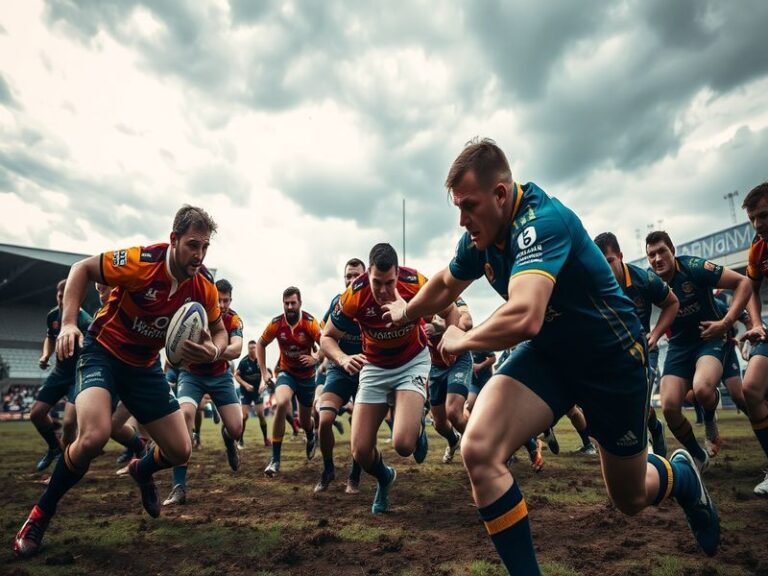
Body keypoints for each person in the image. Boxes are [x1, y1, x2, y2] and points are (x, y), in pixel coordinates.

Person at [382, 139, 721, 572]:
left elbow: (525, 315)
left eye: (469, 206)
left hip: (610, 362)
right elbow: (448, 283)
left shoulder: (541, 222)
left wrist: (461, 339)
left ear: (501, 195)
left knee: (630, 498)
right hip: (550, 356)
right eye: (458, 209)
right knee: (479, 449)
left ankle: (683, 478)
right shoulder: (481, 237)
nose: (463, 220)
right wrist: (407, 311)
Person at [13, 205, 225, 558]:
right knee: (93, 436)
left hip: (144, 367)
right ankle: (40, 514)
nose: (199, 255)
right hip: (103, 353)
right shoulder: (141, 261)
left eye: (204, 248)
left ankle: (141, 469)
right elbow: (81, 269)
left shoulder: (203, 287)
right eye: (192, 245)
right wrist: (68, 324)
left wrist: (214, 352)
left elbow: (218, 330)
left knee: (180, 450)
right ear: (173, 240)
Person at [321, 243, 457, 514]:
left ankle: (416, 426)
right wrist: (343, 359)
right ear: (368, 273)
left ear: (398, 272)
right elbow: (327, 336)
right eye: (377, 282)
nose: (383, 291)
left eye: (389, 282)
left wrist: (449, 336)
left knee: (404, 445)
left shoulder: (415, 282)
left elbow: (450, 309)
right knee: (360, 451)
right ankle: (385, 477)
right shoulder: (353, 295)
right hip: (374, 365)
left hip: (412, 361)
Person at [646, 230, 751, 464]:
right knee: (670, 406)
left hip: (710, 339)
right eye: (651, 255)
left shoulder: (694, 267)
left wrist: (726, 324)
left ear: (673, 252)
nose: (657, 258)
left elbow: (742, 282)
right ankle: (699, 455)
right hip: (678, 347)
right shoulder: (649, 282)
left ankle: (711, 420)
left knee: (705, 389)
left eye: (662, 251)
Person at [594, 231, 680, 457]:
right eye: (599, 263)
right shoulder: (594, 285)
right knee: (617, 403)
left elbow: (672, 303)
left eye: (609, 261)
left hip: (644, 351)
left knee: (636, 400)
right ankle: (654, 426)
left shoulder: (644, 279)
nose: (605, 268)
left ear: (620, 256)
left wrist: (657, 334)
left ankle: (646, 453)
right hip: (613, 355)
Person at [163, 278, 244, 506]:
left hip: (221, 377)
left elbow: (236, 349)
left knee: (236, 429)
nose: (223, 304)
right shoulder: (194, 314)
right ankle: (179, 485)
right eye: (219, 300)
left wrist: (213, 352)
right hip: (192, 376)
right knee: (185, 414)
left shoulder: (233, 318)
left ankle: (229, 440)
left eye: (227, 300)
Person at [314, 258, 366, 493]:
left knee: (361, 424)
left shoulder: (373, 301)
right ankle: (328, 469)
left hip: (368, 370)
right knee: (324, 421)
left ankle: (354, 475)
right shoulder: (338, 303)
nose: (352, 279)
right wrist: (336, 358)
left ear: (365, 276)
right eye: (348, 276)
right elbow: (323, 336)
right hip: (339, 369)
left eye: (356, 275)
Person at [256, 287, 320, 477]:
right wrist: (263, 373)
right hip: (286, 373)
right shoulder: (277, 323)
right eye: (286, 303)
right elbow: (261, 343)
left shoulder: (309, 323)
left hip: (307, 377)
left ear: (300, 303)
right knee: (282, 402)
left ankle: (310, 435)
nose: (289, 307)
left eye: (293, 303)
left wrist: (315, 358)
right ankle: (275, 459)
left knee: (304, 422)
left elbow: (325, 342)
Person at [29, 280, 92, 472]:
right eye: (59, 295)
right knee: (36, 414)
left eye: (66, 295)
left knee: (69, 423)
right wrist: (46, 354)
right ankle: (54, 448)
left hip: (78, 375)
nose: (62, 299)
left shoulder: (85, 321)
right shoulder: (53, 315)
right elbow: (50, 337)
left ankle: (64, 469)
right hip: (59, 373)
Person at [738, 182, 768, 496]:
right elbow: (751, 290)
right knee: (751, 388)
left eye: (764, 215)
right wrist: (756, 323)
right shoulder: (757, 248)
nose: (758, 225)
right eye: (753, 220)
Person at [235, 340, 270, 447]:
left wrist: (262, 386)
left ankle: (265, 439)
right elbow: (236, 375)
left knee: (261, 415)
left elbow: (265, 374)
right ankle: (240, 439)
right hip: (245, 392)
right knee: (244, 416)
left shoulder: (260, 360)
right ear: (248, 349)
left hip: (257, 392)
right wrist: (245, 384)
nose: (253, 350)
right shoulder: (243, 362)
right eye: (251, 348)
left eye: (255, 347)